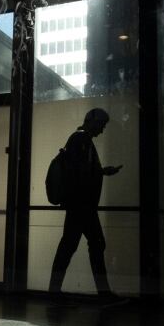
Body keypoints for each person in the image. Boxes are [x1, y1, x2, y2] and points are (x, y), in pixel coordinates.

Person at [48, 108, 121, 298]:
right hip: (82, 205)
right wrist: (101, 172)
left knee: (73, 245)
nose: (102, 130)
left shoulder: (80, 140)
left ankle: (55, 290)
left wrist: (102, 171)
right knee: (88, 244)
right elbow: (81, 173)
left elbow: (81, 171)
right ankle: (101, 292)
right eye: (101, 125)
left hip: (80, 205)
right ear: (92, 121)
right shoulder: (81, 140)